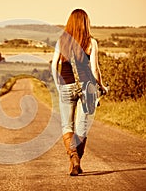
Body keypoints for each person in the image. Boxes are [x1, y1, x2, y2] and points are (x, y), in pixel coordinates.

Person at [51, 9, 108, 176]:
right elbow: (95, 69)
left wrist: (58, 85)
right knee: (82, 127)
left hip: (66, 86)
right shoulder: (91, 42)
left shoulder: (61, 41)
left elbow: (54, 66)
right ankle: (77, 161)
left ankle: (73, 158)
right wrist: (102, 87)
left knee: (67, 125)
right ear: (85, 22)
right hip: (87, 88)